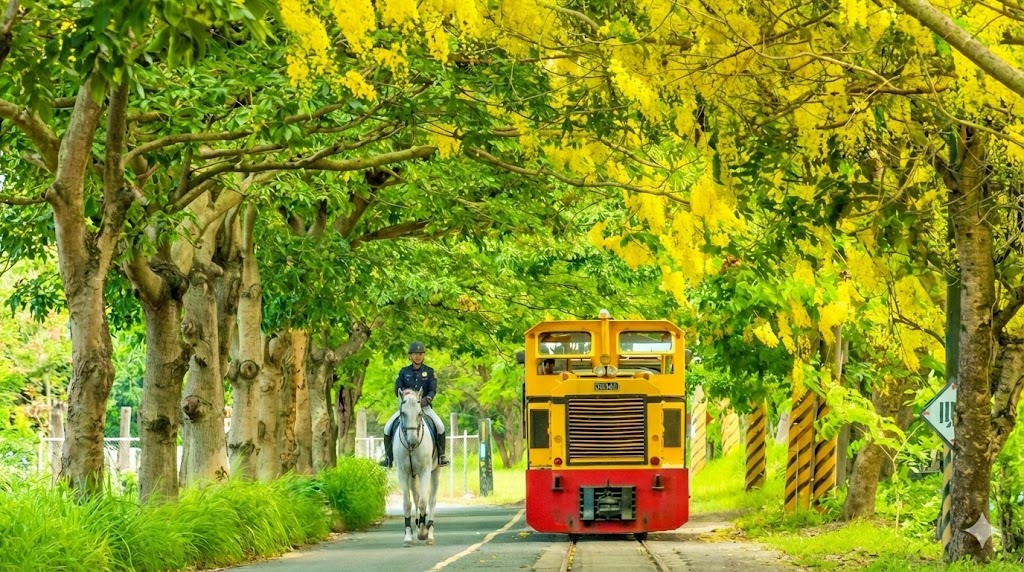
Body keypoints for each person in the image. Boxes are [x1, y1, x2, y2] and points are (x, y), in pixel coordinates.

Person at [380, 341, 449, 468]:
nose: (418, 356)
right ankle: (388, 458)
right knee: (387, 427)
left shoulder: (429, 372)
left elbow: (433, 389)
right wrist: (404, 396)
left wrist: (424, 400)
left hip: (424, 407)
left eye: (420, 354)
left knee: (440, 426)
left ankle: (441, 456)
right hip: (407, 409)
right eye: (415, 354)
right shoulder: (403, 372)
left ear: (423, 355)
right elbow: (398, 388)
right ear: (410, 356)